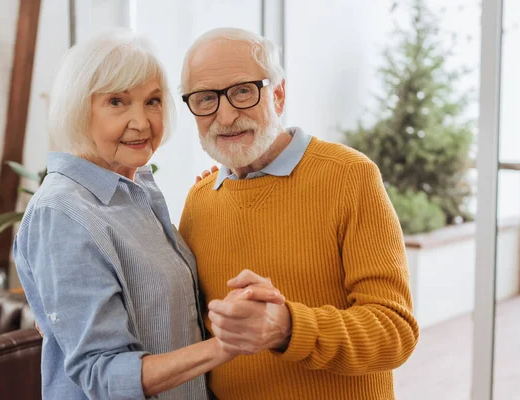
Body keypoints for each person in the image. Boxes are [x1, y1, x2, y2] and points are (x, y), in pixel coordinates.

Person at [13, 30, 283, 400]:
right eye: (117, 102)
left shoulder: (135, 186)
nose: (141, 122)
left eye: (152, 101)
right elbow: (103, 374)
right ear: (79, 108)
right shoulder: (63, 213)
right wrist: (227, 344)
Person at [179, 27, 420, 400]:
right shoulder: (199, 200)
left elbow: (394, 332)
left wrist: (287, 327)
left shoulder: (349, 175)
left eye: (243, 91)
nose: (225, 116)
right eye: (205, 98)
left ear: (278, 95)